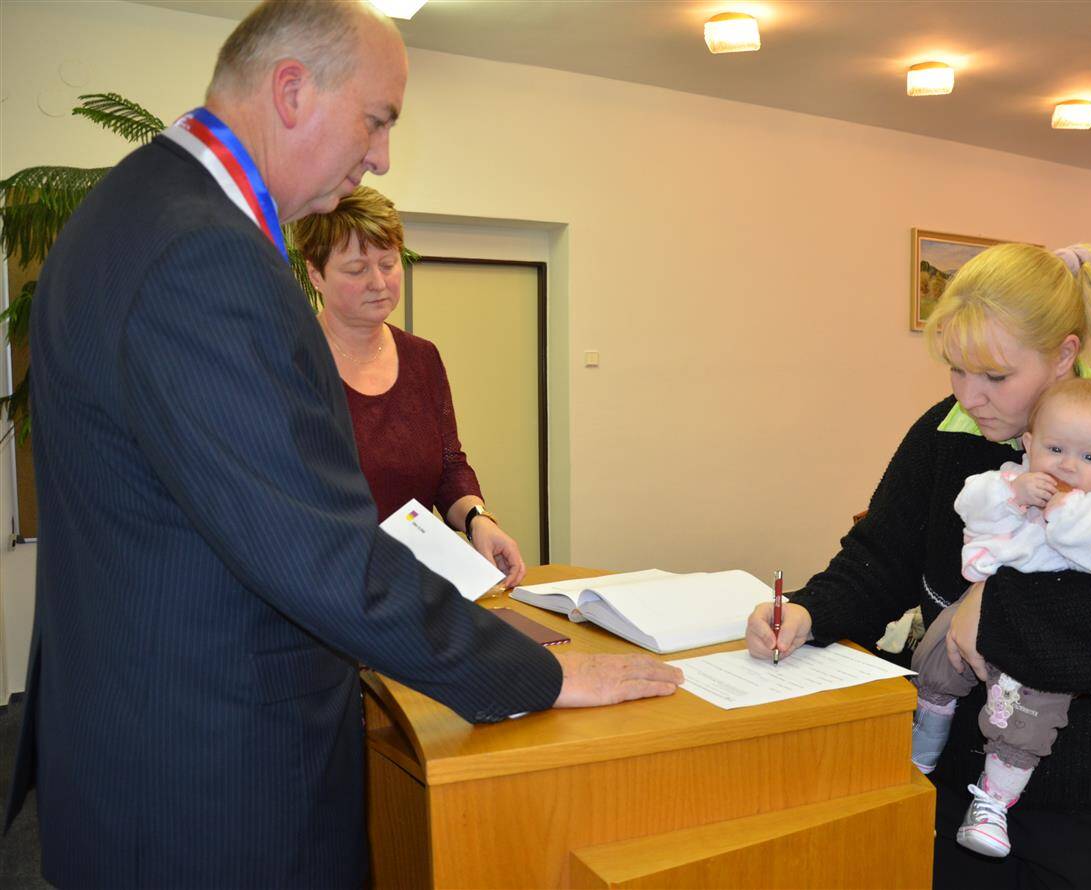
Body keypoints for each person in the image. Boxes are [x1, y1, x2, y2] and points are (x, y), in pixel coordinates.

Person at [3, 3, 680, 887]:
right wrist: (534, 676)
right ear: (292, 91)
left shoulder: (131, 210)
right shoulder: (204, 254)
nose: (382, 155)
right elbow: (314, 550)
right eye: (377, 119)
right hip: (214, 783)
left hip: (142, 742)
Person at [745, 242, 1091, 889]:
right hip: (956, 762)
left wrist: (995, 610)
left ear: (1063, 355)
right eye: (957, 370)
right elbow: (880, 555)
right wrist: (809, 611)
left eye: (995, 376)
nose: (972, 396)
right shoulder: (946, 431)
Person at [910, 378, 1091, 858]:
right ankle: (923, 744)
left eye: (1089, 457)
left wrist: (1068, 511)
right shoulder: (1011, 477)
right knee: (935, 658)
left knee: (1027, 716)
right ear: (1029, 443)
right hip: (978, 602)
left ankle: (993, 803)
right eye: (1055, 449)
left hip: (1046, 629)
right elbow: (970, 506)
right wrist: (1013, 495)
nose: (1067, 465)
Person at [293, 187, 525, 586]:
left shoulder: (422, 358)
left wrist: (478, 520)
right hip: (319, 588)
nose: (378, 282)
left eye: (388, 263)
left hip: (410, 587)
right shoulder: (288, 362)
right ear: (316, 275)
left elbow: (449, 466)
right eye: (356, 270)